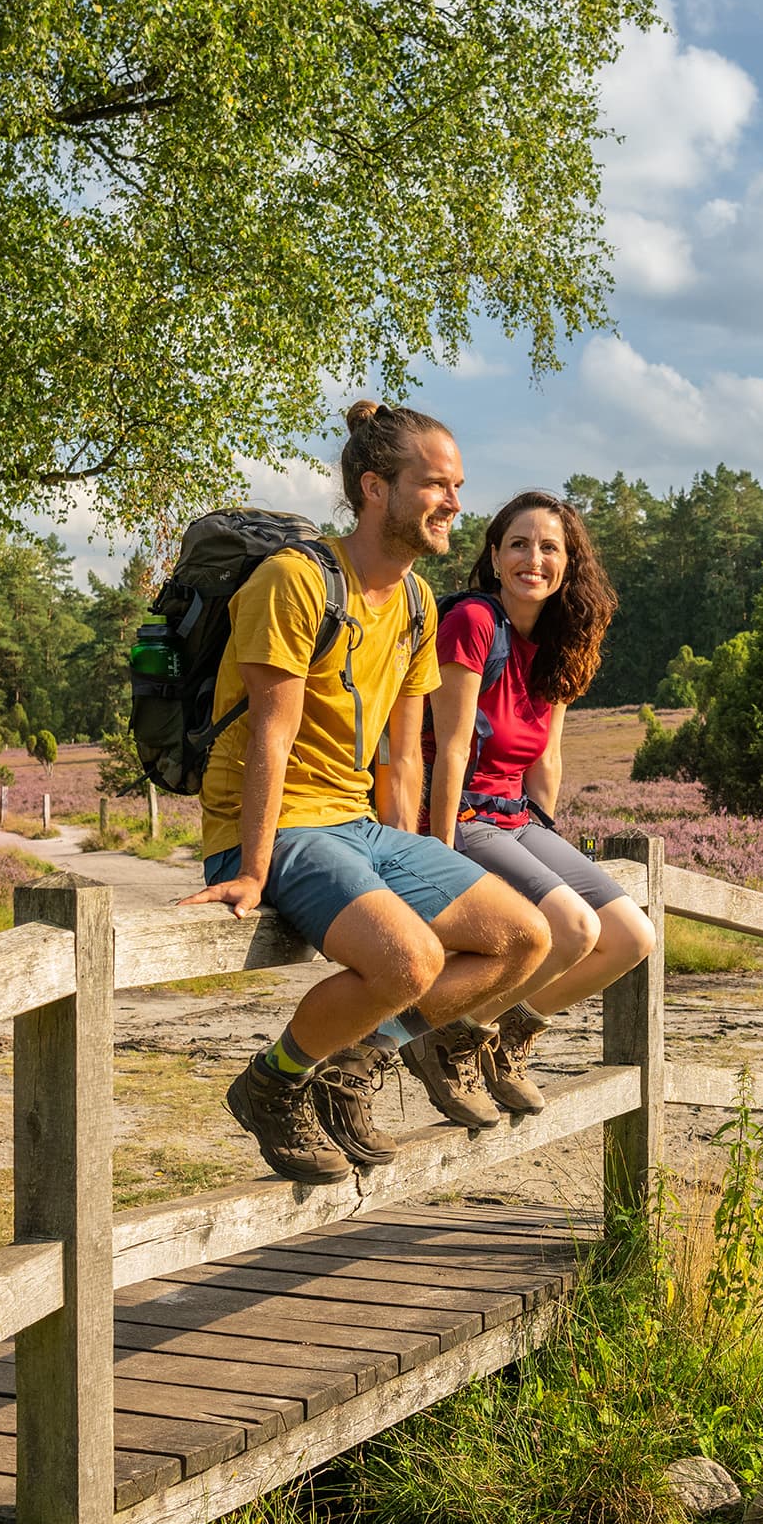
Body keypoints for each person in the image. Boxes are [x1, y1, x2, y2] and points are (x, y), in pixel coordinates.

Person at [183, 401, 552, 1184]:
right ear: (377, 488)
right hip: (281, 826)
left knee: (525, 938)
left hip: (357, 824)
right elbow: (268, 737)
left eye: (458, 486)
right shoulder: (297, 580)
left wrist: (425, 858)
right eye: (436, 486)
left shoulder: (418, 601)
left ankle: (357, 1061)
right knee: (411, 961)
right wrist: (247, 869)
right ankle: (274, 1083)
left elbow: (401, 757)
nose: (455, 503)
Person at [418, 489, 656, 1114]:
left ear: (568, 563)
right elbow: (449, 750)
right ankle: (449, 1038)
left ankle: (504, 1038)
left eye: (549, 547)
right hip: (462, 811)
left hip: (515, 819)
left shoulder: (560, 640)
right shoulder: (472, 623)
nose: (534, 558)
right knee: (573, 929)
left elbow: (545, 758)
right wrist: (438, 857)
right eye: (518, 544)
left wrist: (550, 843)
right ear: (494, 556)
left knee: (632, 937)